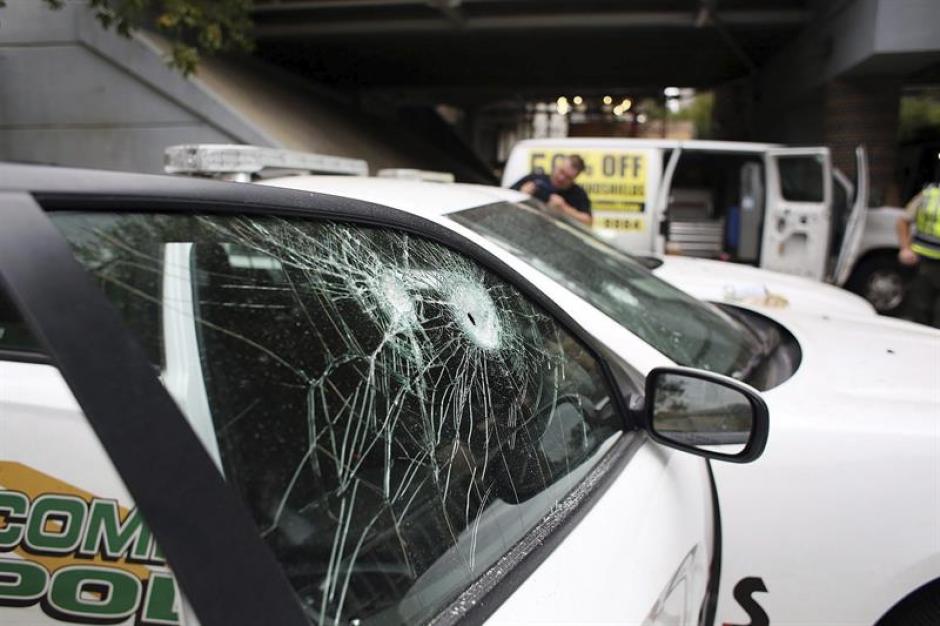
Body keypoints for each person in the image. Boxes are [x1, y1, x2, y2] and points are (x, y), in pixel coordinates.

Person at [897, 183, 940, 327]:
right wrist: (905, 248)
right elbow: (903, 220)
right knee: (919, 310)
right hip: (924, 262)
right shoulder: (929, 194)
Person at [510, 155, 592, 225]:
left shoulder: (578, 194)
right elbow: (504, 196)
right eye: (561, 172)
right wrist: (522, 194)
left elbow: (588, 221)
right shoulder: (534, 179)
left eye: (568, 177)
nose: (561, 178)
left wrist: (564, 208)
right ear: (556, 166)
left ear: (574, 178)